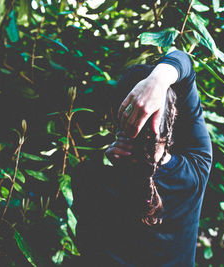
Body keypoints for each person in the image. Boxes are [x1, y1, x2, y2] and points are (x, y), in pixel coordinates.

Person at [71, 50, 213, 266]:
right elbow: (184, 64)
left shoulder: (89, 179)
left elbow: (86, 245)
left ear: (115, 114)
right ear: (172, 119)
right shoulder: (196, 171)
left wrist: (107, 164)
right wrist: (159, 80)